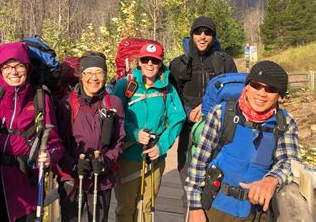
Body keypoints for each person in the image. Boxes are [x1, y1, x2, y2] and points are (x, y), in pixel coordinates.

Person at [185, 61, 301, 221]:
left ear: (280, 95)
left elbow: (290, 160)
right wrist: (195, 206)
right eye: (256, 86)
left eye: (271, 89)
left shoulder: (285, 122)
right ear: (246, 87)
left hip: (255, 211)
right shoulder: (221, 113)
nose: (261, 93)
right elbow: (199, 162)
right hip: (213, 205)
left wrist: (272, 179)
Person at [0, 42, 64, 222]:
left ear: (27, 68)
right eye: (7, 66)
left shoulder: (40, 98)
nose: (13, 72)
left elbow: (53, 141)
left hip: (25, 182)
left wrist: (50, 156)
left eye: (19, 65)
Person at [113, 42, 186, 221]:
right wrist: (134, 133)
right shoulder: (125, 85)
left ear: (160, 63)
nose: (150, 64)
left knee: (147, 206)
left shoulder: (167, 88)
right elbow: (115, 117)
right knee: (125, 206)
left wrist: (162, 146)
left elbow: (178, 118)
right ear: (139, 62)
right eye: (145, 60)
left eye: (154, 60)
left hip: (155, 157)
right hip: (129, 155)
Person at [169, 16, 237, 193]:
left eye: (207, 33)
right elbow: (172, 96)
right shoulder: (178, 64)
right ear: (192, 35)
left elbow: (234, 95)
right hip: (189, 129)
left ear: (213, 37)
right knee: (189, 180)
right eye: (198, 32)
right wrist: (188, 111)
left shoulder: (225, 62)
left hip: (218, 129)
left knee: (217, 181)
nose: (202, 36)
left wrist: (208, 108)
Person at [55, 51, 125, 221]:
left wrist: (106, 162)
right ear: (82, 75)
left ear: (105, 75)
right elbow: (56, 141)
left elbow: (119, 139)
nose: (94, 78)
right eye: (89, 72)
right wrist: (71, 165)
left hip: (102, 178)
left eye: (99, 72)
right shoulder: (67, 103)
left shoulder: (113, 103)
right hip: (72, 178)